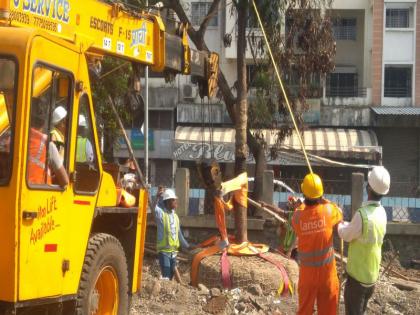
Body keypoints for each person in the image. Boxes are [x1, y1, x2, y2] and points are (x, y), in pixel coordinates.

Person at [338, 166, 390, 315]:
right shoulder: (382, 213)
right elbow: (362, 231)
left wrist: (339, 225)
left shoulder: (362, 215)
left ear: (368, 188)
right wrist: (348, 225)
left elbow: (346, 235)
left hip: (357, 280)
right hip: (371, 277)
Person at [291, 173, 342, 315]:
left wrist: (300, 205)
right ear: (321, 193)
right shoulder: (329, 210)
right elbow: (339, 213)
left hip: (307, 277)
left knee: (304, 312)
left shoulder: (298, 216)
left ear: (304, 194)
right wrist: (324, 200)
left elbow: (296, 220)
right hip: (327, 276)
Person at [28, 98, 69, 187]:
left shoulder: (14, 140)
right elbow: (65, 180)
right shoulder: (47, 143)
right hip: (40, 193)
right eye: (65, 121)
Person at [152, 187, 191, 280]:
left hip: (173, 253)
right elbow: (153, 208)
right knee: (166, 276)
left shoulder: (175, 217)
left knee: (171, 277)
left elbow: (179, 235)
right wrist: (157, 197)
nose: (176, 202)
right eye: (173, 200)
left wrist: (189, 247)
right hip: (164, 252)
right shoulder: (161, 214)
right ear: (168, 202)